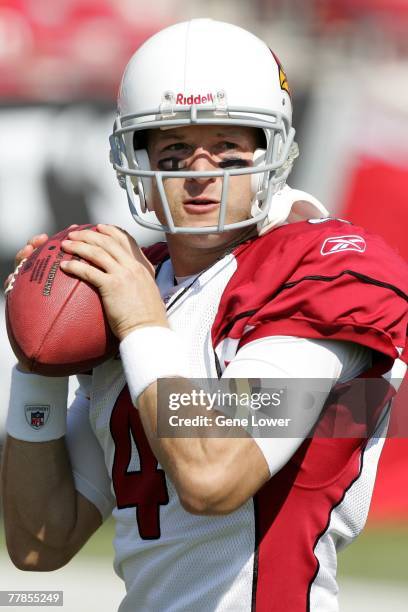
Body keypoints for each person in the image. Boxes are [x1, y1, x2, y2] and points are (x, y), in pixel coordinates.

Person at [2, 18, 408, 612]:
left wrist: (142, 326)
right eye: (172, 150)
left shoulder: (322, 270)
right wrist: (36, 365)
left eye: (226, 149)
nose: (198, 172)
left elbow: (215, 474)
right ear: (133, 157)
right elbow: (39, 543)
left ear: (274, 151)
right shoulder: (137, 284)